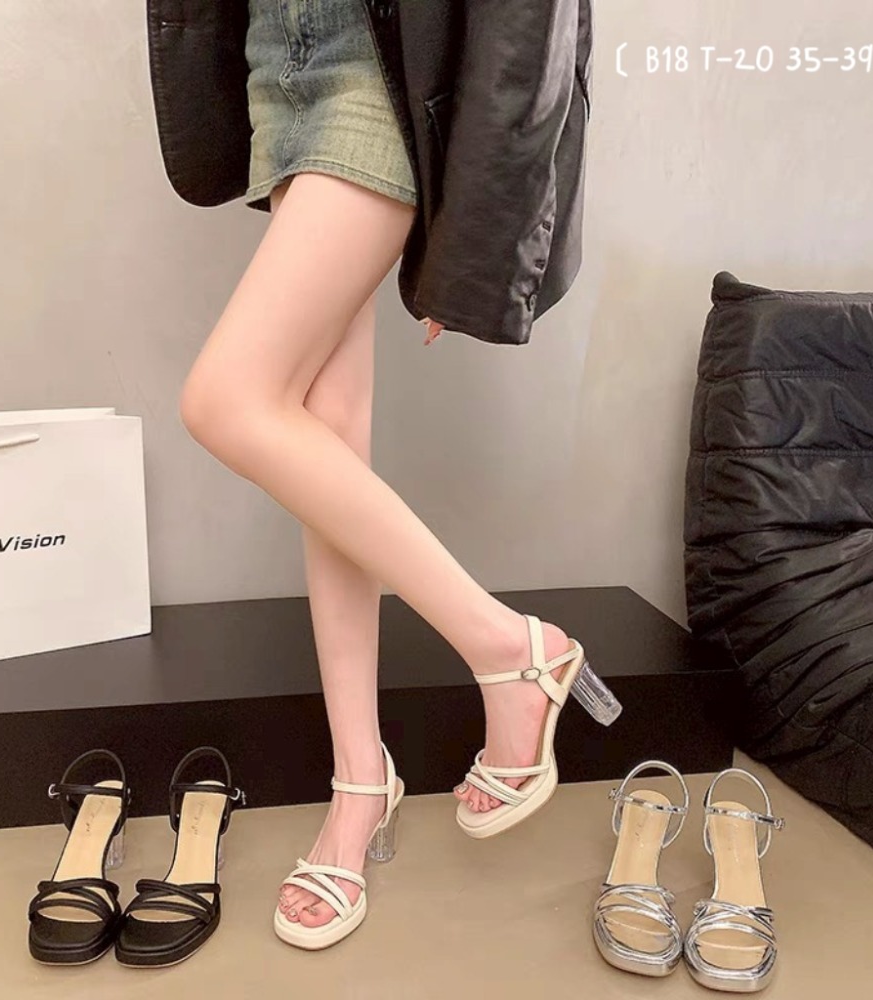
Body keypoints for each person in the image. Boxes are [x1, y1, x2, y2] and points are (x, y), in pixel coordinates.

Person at [176, 0, 615, 949]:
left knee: (225, 400)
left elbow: (529, 24)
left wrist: (475, 239)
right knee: (325, 438)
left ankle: (511, 650)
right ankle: (359, 783)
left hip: (375, 78)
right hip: (279, 68)